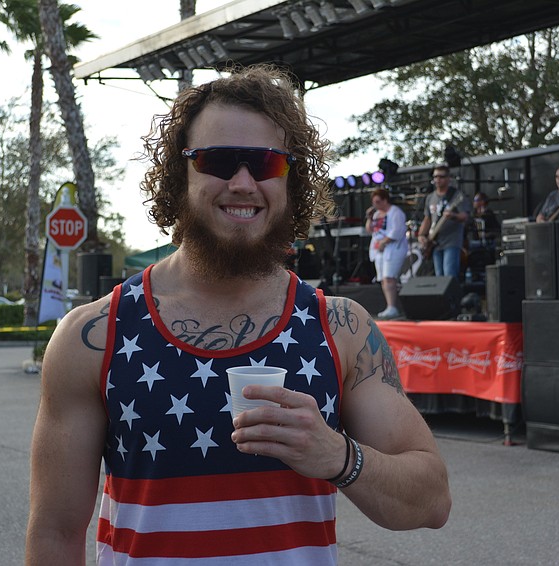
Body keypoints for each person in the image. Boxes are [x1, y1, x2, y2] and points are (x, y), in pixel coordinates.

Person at [25, 64, 450, 565]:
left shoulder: (342, 328)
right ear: (178, 175)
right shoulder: (94, 335)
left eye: (267, 164)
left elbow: (432, 500)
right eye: (219, 161)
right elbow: (55, 535)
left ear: (291, 180)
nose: (244, 182)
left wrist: (338, 456)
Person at [417, 165, 471, 278]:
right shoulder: (430, 197)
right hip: (435, 241)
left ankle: (452, 296)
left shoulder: (456, 195)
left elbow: (465, 216)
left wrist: (453, 216)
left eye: (441, 177)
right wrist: (421, 235)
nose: (437, 180)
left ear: (448, 178)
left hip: (452, 240)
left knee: (449, 273)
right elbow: (427, 218)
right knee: (439, 276)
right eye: (435, 177)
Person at [365, 188, 408, 320]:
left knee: (390, 277)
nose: (376, 205)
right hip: (379, 250)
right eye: (374, 202)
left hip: (393, 248)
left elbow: (397, 231)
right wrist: (369, 218)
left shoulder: (395, 212)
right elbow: (369, 230)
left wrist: (385, 241)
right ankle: (390, 306)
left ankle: (392, 306)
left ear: (385, 200)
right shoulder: (377, 214)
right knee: (384, 279)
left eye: (378, 202)